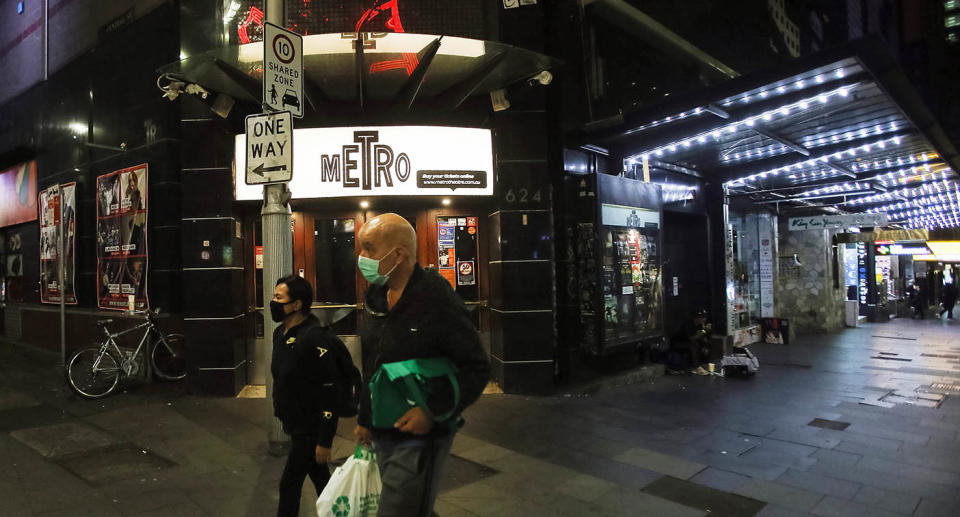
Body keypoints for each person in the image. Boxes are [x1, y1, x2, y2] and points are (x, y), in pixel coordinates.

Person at [352, 213, 490, 517]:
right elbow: (372, 366)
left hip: (419, 439)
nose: (362, 257)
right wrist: (365, 418)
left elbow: (476, 367)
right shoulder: (376, 296)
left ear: (398, 254)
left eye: (369, 248)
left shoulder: (437, 298)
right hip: (382, 431)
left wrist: (430, 412)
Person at [270, 274, 346, 517]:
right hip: (294, 423)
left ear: (297, 304)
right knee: (323, 481)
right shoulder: (280, 333)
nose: (273, 303)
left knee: (289, 485)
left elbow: (330, 390)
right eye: (274, 296)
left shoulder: (314, 338)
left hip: (309, 427)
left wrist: (325, 440)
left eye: (279, 298)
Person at [669, 309, 712, 375]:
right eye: (702, 318)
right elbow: (692, 338)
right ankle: (696, 367)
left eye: (705, 317)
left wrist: (705, 345)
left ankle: (703, 363)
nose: (704, 319)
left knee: (704, 344)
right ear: (696, 318)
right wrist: (704, 331)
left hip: (687, 342)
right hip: (677, 343)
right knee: (693, 345)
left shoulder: (700, 325)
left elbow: (702, 338)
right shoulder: (688, 324)